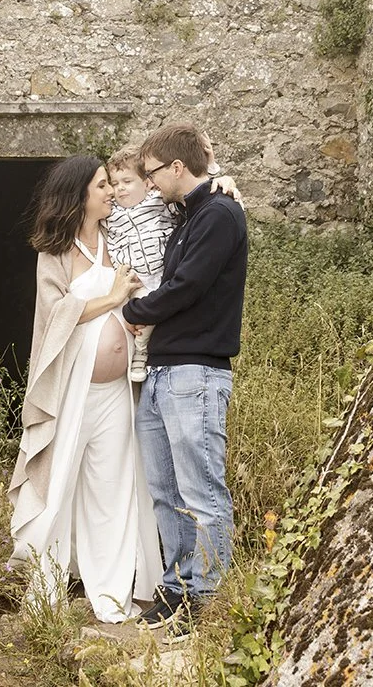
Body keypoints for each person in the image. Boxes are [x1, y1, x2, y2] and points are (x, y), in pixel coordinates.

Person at [7, 156, 162, 622]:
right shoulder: (54, 253)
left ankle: (112, 595)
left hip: (117, 390)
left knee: (112, 487)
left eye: (111, 184)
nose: (111, 192)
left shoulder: (121, 236)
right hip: (72, 390)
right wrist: (111, 298)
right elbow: (55, 314)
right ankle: (45, 592)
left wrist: (222, 180)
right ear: (78, 195)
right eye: (101, 186)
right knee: (58, 485)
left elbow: (170, 206)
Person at [121, 122, 248, 639]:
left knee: (201, 491)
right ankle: (176, 589)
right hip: (162, 372)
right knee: (165, 493)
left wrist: (134, 310)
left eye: (153, 173)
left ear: (177, 167)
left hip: (196, 372)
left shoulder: (219, 213)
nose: (149, 183)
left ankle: (207, 600)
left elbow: (186, 286)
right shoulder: (191, 213)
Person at [105, 141, 239, 384]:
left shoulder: (162, 204)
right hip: (137, 282)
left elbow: (197, 198)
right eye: (114, 183)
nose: (120, 188)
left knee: (147, 317)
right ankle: (140, 354)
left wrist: (217, 175)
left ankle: (140, 354)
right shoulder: (112, 213)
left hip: (191, 360)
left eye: (128, 181)